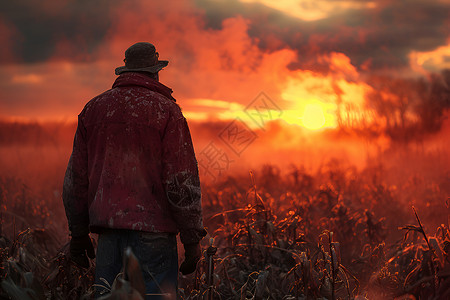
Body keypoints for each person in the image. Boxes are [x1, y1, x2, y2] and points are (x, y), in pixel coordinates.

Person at [62, 42, 206, 299]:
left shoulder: (93, 110)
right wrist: (192, 239)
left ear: (125, 70)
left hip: (108, 235)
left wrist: (79, 234)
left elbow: (76, 180)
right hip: (155, 237)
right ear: (155, 71)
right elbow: (180, 183)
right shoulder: (168, 112)